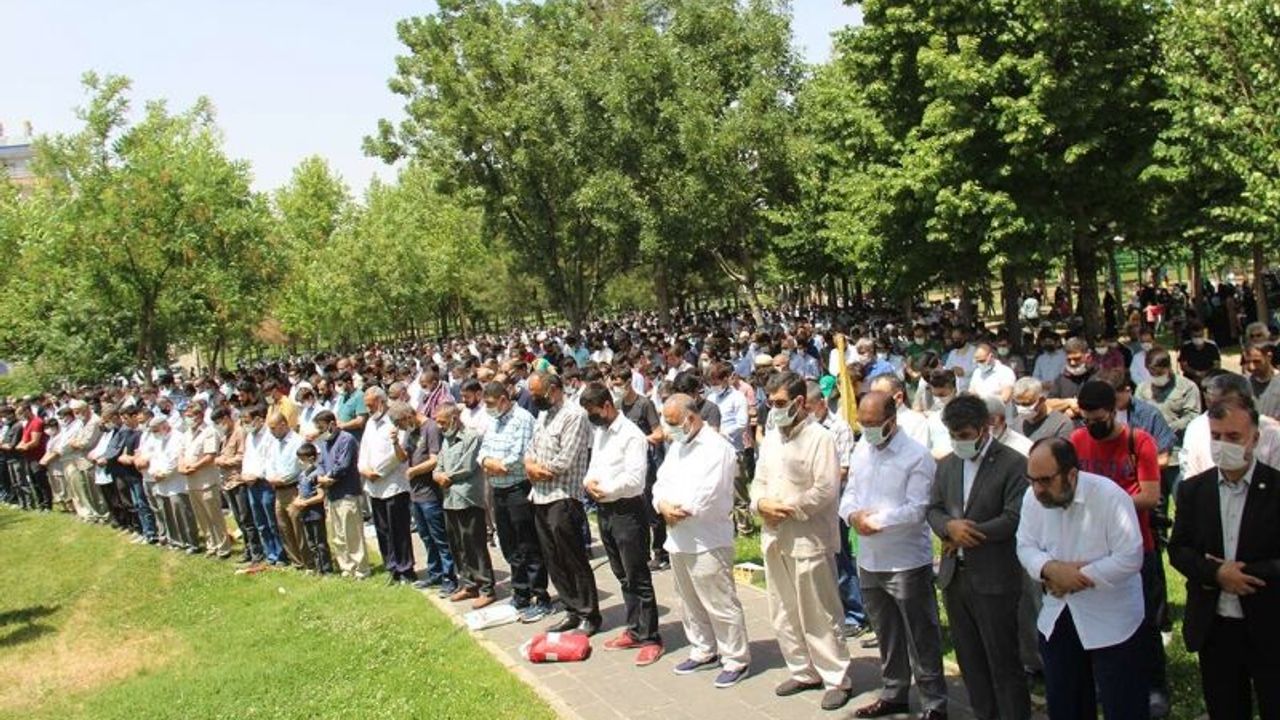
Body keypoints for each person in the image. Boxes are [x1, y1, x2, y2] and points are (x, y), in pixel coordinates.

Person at [1017, 438, 1148, 720]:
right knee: (1066, 704)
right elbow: (1024, 545)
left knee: (1123, 705)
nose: (1037, 489)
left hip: (1113, 621)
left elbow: (1130, 557)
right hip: (1059, 614)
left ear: (1072, 474)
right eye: (1032, 480)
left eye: (1045, 480)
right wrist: (1050, 568)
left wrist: (1076, 577)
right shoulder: (1032, 498)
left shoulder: (1110, 497)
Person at [1169, 395, 1280, 718]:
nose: (1223, 445)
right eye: (1216, 436)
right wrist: (1216, 574)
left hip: (1269, 624)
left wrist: (1243, 574)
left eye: (1233, 437)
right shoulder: (1194, 490)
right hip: (1215, 626)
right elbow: (1178, 549)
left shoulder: (1276, 490)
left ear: (1254, 439)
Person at [840, 391, 947, 720]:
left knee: (920, 634)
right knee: (886, 632)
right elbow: (850, 493)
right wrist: (852, 516)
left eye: (873, 423)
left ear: (892, 420)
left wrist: (875, 521)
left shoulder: (916, 456)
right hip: (869, 559)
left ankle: (934, 703)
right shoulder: (862, 448)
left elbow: (918, 508)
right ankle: (894, 692)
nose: (868, 429)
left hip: (906, 561)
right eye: (863, 423)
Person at [751, 372, 853, 711]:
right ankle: (802, 670)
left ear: (798, 402)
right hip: (774, 535)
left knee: (820, 611)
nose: (775, 409)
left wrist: (788, 508)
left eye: (780, 402)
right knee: (783, 608)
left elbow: (825, 489)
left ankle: (836, 677)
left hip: (809, 537)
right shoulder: (771, 439)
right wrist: (760, 504)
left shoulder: (820, 438)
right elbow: (759, 480)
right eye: (771, 402)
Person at [927, 395, 1031, 720]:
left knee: (1003, 662)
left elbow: (1014, 517)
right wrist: (948, 527)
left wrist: (967, 534)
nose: (959, 441)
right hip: (955, 578)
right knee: (970, 660)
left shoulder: (1013, 464)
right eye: (953, 435)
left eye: (965, 435)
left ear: (985, 429)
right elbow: (934, 509)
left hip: (995, 577)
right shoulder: (947, 465)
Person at [1071, 379, 1168, 716]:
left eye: (1098, 420)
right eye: (1086, 420)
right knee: (1101, 617)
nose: (1092, 426)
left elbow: (1150, 495)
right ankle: (1106, 680)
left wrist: (1109, 505)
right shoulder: (1077, 441)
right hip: (1093, 546)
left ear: (1114, 411)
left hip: (1136, 545)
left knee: (1146, 621)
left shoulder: (1139, 442)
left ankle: (1154, 686)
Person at [653, 393, 750, 689]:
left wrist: (676, 510)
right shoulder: (678, 446)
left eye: (674, 423)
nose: (670, 430)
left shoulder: (717, 448)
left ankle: (735, 658)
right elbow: (661, 482)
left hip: (707, 537)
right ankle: (703, 649)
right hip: (678, 537)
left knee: (719, 601)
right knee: (689, 600)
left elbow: (706, 493)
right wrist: (662, 504)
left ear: (691, 418)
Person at [580, 383, 663, 666]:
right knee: (621, 574)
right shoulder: (601, 432)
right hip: (604, 511)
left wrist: (607, 490)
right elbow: (594, 465)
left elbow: (635, 480)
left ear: (606, 405)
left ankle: (651, 637)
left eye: (593, 411)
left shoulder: (631, 435)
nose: (591, 417)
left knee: (637, 574)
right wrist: (588, 482)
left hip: (627, 511)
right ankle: (634, 628)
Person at [524, 371, 601, 635]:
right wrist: (530, 466)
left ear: (554, 389)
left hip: (563, 496)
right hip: (540, 496)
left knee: (572, 557)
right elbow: (531, 448)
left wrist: (536, 470)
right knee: (553, 558)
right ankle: (571, 609)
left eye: (538, 394)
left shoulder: (574, 416)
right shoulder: (544, 415)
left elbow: (564, 461)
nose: (535, 399)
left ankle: (589, 613)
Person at [478, 381, 551, 622]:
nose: (488, 408)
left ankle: (540, 596)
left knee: (528, 544)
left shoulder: (522, 419)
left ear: (503, 399)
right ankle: (521, 593)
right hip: (499, 490)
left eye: (490, 403)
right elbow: (483, 451)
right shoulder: (494, 421)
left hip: (519, 489)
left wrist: (495, 465)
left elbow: (518, 457)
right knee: (510, 545)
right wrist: (488, 462)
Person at [807, 379, 868, 638]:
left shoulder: (839, 428)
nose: (807, 412)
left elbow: (844, 468)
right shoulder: (804, 428)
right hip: (808, 504)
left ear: (822, 403)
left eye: (810, 407)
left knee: (840, 558)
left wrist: (817, 484)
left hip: (835, 502)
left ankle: (855, 614)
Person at [432, 403, 497, 608]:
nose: (440, 427)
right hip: (449, 499)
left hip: (467, 498)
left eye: (443, 422)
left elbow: (467, 466)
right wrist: (437, 474)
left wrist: (446, 477)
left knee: (474, 544)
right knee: (457, 544)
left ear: (454, 419)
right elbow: (439, 463)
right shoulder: (446, 439)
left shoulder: (472, 437)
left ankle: (486, 588)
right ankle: (469, 585)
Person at [609, 366, 668, 571]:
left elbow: (659, 434)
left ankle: (661, 552)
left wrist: (639, 441)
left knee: (653, 510)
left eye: (618, 384)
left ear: (628, 383)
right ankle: (642, 553)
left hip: (647, 463)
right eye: (613, 385)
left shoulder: (644, 404)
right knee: (637, 510)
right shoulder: (618, 406)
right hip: (626, 465)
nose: (616, 388)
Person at [359, 390, 417, 585]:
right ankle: (391, 567)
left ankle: (406, 569)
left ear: (381, 402)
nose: (368, 409)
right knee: (382, 529)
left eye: (371, 405)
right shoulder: (370, 423)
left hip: (393, 484)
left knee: (399, 530)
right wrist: (363, 469)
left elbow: (398, 453)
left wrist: (378, 472)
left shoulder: (394, 421)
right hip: (373, 486)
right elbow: (364, 450)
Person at [401, 402, 456, 594]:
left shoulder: (431, 428)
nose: (401, 428)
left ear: (409, 416)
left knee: (440, 538)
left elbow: (435, 460)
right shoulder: (410, 431)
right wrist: (394, 443)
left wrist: (414, 471)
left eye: (401, 423)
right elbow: (402, 457)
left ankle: (450, 577)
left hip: (430, 493)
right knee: (426, 537)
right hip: (415, 494)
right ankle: (435, 574)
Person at [313, 410, 370, 579]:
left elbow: (343, 464)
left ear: (332, 424)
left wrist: (329, 477)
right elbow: (320, 463)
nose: (320, 431)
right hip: (332, 494)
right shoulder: (324, 442)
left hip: (347, 492)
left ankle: (361, 569)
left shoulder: (347, 439)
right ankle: (346, 566)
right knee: (338, 534)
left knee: (352, 533)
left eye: (322, 427)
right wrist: (322, 477)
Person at [179, 401, 232, 558]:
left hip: (207, 481)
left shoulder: (209, 432)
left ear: (200, 415)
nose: (188, 419)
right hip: (191, 482)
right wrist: (181, 466)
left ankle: (223, 547)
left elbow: (210, 456)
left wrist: (194, 467)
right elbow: (181, 454)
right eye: (186, 416)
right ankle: (211, 545)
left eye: (190, 416)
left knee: (214, 516)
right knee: (201, 516)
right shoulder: (186, 434)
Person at [212, 406, 262, 564]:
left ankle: (256, 552)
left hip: (239, 481)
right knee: (239, 520)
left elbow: (242, 456)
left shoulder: (240, 433)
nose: (218, 425)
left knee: (247, 519)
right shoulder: (225, 436)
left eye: (219, 422)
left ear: (226, 418)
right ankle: (248, 550)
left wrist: (223, 461)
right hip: (228, 482)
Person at [265, 411, 313, 570]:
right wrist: (271, 477)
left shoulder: (297, 441)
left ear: (283, 425)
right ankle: (296, 561)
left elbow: (298, 466)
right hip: (278, 490)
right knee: (283, 526)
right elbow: (269, 463)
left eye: (273, 428)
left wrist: (283, 479)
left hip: (293, 489)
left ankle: (308, 562)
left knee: (298, 527)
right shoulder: (274, 443)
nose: (271, 432)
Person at [289, 442, 333, 574]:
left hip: (315, 513)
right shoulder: (302, 475)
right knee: (311, 542)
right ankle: (317, 567)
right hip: (305, 513)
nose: (300, 462)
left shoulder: (318, 474)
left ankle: (326, 569)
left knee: (320, 542)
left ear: (311, 458)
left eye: (302, 459)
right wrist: (297, 500)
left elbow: (320, 496)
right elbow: (300, 492)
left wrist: (306, 502)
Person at [1010, 377, 1074, 442]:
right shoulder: (1016, 423)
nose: (1021, 408)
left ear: (1041, 400)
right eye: (1017, 403)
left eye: (1026, 404)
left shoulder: (1061, 424)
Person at [1242, 343, 1280, 419]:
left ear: (1269, 357)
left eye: (1257, 362)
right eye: (1248, 362)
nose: (1251, 367)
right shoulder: (1243, 384)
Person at [1179, 320, 1221, 387]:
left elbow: (1217, 365)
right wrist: (1196, 373)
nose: (1198, 338)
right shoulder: (1186, 348)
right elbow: (1183, 366)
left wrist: (1205, 374)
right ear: (1191, 336)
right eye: (1195, 336)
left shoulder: (1212, 347)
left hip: (1209, 378)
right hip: (1190, 379)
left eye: (1200, 336)